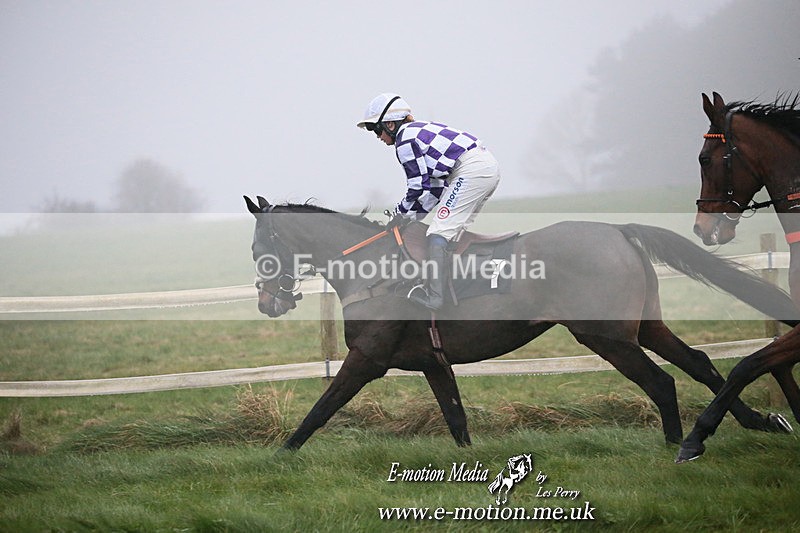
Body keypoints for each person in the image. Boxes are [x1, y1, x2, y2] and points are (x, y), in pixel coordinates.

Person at [357, 93, 501, 310]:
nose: (378, 136)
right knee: (451, 233)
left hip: (471, 171)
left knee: (439, 233)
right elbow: (433, 190)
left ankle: (435, 297)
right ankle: (461, 288)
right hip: (481, 168)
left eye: (376, 130)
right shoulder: (415, 133)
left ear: (389, 124)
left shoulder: (404, 139)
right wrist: (410, 218)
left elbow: (417, 187)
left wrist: (400, 214)